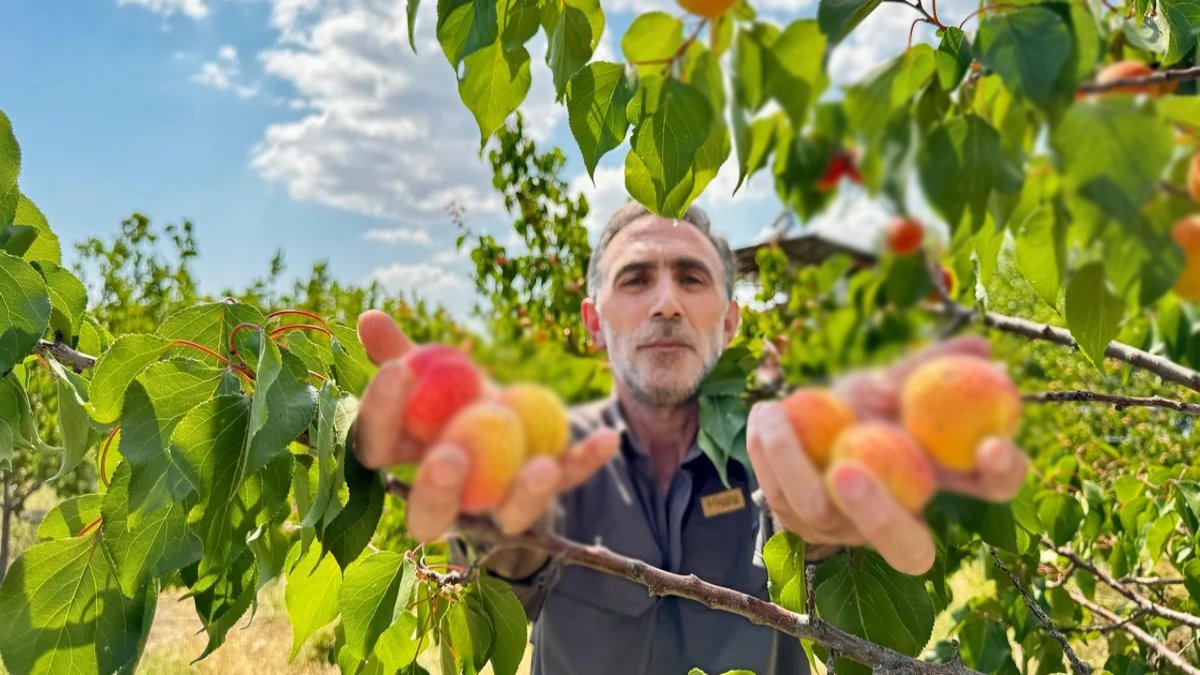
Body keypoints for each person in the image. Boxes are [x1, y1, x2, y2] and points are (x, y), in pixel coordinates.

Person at [352, 201, 1029, 675]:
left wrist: (829, 542)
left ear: (731, 320)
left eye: (692, 277)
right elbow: (514, 561)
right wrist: (500, 533)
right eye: (637, 278)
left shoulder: (778, 439)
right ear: (593, 322)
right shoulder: (553, 451)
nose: (667, 302)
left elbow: (813, 527)